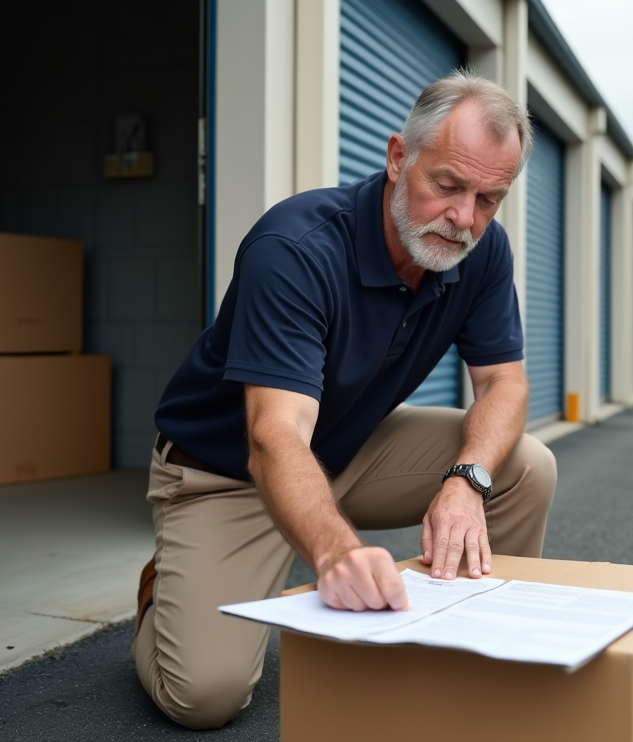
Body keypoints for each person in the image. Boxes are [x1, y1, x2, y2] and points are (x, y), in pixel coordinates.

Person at [131, 68, 557, 730]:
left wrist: (466, 481)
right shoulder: (295, 248)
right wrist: (336, 553)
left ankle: (480, 638)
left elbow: (504, 382)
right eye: (447, 185)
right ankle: (164, 591)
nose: (464, 219)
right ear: (398, 157)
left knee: (523, 466)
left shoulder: (481, 249)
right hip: (226, 471)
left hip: (348, 449)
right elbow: (274, 435)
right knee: (204, 698)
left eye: (489, 199)